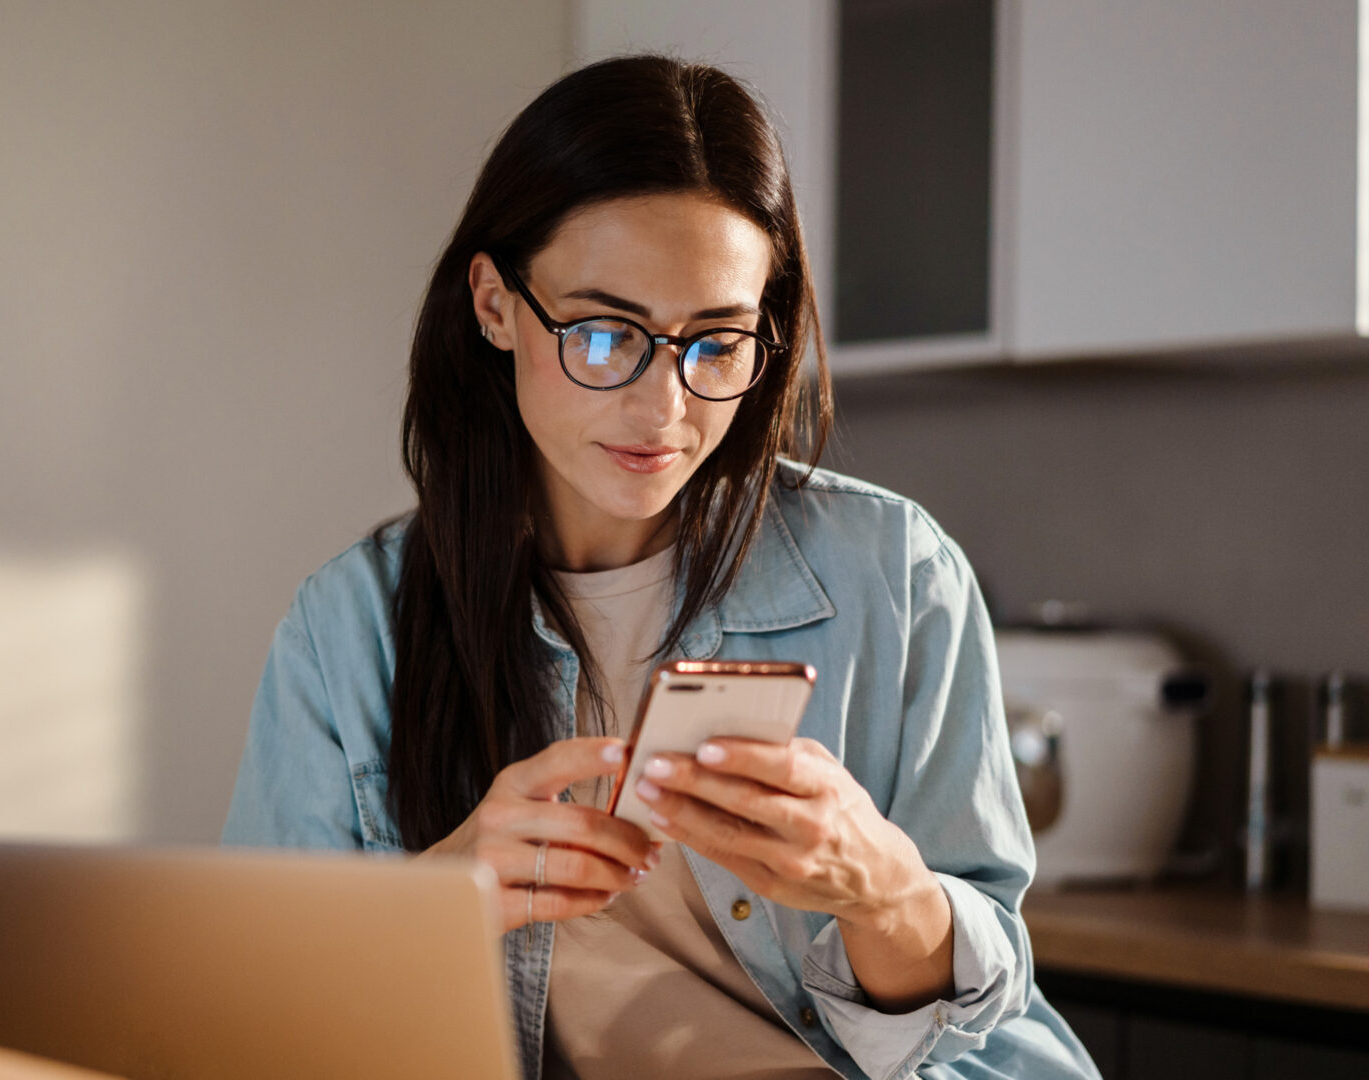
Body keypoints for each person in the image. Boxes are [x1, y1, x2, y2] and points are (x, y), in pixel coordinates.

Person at [222, 54, 1099, 1080]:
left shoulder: (898, 575)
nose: (664, 409)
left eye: (715, 344)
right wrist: (440, 895)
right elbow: (256, 1013)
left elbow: (984, 1021)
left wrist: (884, 891)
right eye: (604, 334)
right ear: (495, 305)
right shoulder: (350, 628)